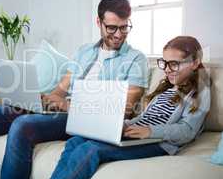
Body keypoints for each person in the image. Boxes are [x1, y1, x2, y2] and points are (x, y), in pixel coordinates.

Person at [0, 0, 148, 179]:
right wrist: (43, 99)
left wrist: (65, 105)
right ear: (98, 22)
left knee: (22, 125)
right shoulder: (84, 51)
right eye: (112, 27)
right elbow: (60, 90)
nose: (118, 34)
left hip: (86, 121)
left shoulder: (135, 59)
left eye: (124, 27)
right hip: (63, 111)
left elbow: (125, 110)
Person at [50, 36, 211, 179]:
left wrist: (150, 131)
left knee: (91, 149)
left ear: (195, 63)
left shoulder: (201, 90)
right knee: (75, 142)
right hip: (138, 135)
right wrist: (123, 125)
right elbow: (144, 119)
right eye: (165, 63)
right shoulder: (167, 90)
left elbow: (188, 131)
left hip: (158, 143)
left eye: (174, 64)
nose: (167, 69)